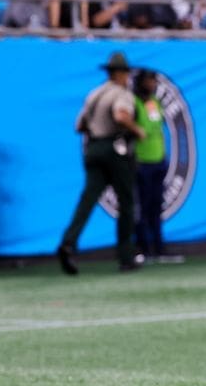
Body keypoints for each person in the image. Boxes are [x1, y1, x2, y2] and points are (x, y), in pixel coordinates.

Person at [56, 51, 148, 275]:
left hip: (93, 148)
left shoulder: (94, 94)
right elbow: (121, 116)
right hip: (115, 149)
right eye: (126, 73)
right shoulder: (121, 94)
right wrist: (137, 130)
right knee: (125, 202)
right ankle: (126, 256)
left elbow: (79, 126)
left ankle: (68, 243)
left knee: (88, 199)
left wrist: (97, 131)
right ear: (120, 74)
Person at [133, 68, 181, 263]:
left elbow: (156, 128)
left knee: (156, 207)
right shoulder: (133, 103)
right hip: (140, 162)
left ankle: (159, 249)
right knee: (142, 208)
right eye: (149, 81)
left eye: (154, 81)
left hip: (158, 161)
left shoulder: (154, 103)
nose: (153, 84)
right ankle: (143, 249)